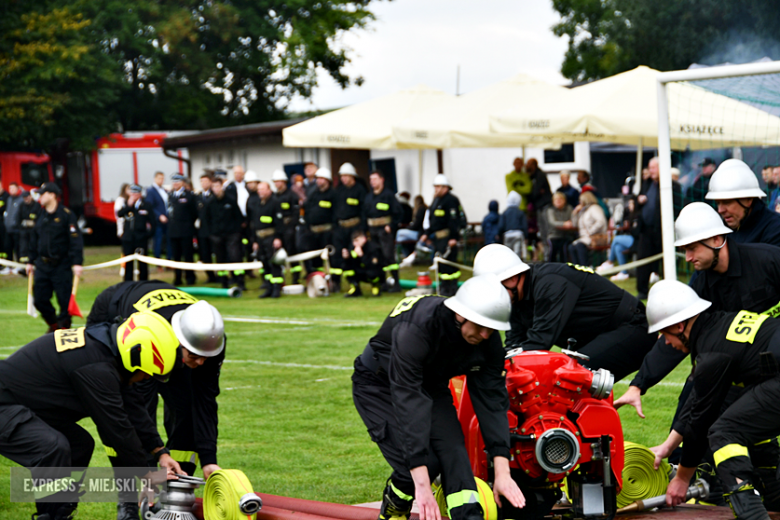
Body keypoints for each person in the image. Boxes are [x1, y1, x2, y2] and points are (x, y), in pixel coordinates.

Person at [615, 204, 780, 501]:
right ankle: (711, 473)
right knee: (702, 393)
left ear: (717, 240)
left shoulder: (768, 259)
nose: (688, 258)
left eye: (692, 249)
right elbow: (672, 337)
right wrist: (640, 383)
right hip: (743, 368)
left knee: (723, 423)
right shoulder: (702, 284)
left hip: (770, 361)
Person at [352, 275, 525, 520]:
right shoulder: (418, 329)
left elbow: (492, 402)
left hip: (430, 384)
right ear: (461, 314)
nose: (486, 335)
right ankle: (395, 508)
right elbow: (409, 400)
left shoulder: (487, 339)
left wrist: (502, 472)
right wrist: (422, 488)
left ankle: (469, 516)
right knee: (423, 462)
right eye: (480, 326)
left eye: (492, 329)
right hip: (379, 385)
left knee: (455, 453)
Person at [0, 310, 180, 520]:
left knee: (80, 444)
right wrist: (147, 474)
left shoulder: (110, 349)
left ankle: (60, 511)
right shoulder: (96, 369)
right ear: (136, 354)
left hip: (23, 404)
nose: (146, 378)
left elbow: (132, 407)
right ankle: (50, 516)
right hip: (4, 405)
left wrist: (160, 452)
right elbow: (117, 428)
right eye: (148, 373)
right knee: (52, 447)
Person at [641, 280, 780, 520]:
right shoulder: (720, 330)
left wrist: (683, 478)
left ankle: (752, 515)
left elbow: (700, 420)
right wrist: (669, 446)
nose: (665, 342)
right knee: (745, 421)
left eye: (664, 333)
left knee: (724, 432)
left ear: (680, 325)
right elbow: (698, 398)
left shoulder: (712, 354)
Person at [86, 282, 225, 482]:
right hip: (116, 310)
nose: (201, 362)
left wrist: (209, 458)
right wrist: (150, 467)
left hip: (169, 327)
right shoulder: (149, 337)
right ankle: (128, 499)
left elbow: (205, 400)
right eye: (194, 356)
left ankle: (176, 486)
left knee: (186, 407)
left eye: (206, 357)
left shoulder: (211, 341)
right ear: (178, 342)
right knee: (118, 410)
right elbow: (139, 407)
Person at [473, 243, 656, 381]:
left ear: (512, 278)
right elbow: (514, 347)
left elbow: (539, 342)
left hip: (633, 327)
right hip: (603, 333)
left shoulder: (549, 283)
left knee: (570, 376)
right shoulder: (516, 298)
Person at [25, 183, 83, 332]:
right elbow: (33, 239)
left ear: (52, 195)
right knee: (39, 299)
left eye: (42, 194)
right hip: (43, 265)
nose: (40, 197)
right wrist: (30, 261)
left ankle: (63, 330)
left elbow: (75, 240)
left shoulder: (66, 215)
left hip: (61, 265)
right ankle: (54, 325)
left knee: (65, 302)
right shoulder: (39, 213)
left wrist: (77, 262)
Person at [635, 157, 682, 299]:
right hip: (646, 230)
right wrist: (638, 201)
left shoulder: (673, 186)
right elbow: (637, 202)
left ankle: (668, 288)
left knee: (667, 260)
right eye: (649, 168)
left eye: (653, 168)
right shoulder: (647, 183)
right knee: (643, 260)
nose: (650, 171)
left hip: (664, 231)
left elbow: (678, 206)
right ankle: (642, 291)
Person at [706, 158, 780, 247]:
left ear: (748, 199)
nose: (720, 210)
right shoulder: (723, 231)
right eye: (718, 203)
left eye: (727, 202)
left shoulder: (775, 229)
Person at [419, 174, 464, 297]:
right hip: (438, 239)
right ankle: (444, 287)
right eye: (435, 186)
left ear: (445, 187)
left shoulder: (451, 200)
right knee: (441, 265)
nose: (436, 189)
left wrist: (454, 237)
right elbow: (432, 219)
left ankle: (452, 289)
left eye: (438, 186)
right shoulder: (436, 200)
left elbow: (455, 220)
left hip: (448, 238)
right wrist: (426, 234)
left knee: (449, 265)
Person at [363, 170, 403, 293]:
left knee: (388, 256)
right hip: (372, 230)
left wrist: (391, 226)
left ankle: (396, 283)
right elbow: (364, 214)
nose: (372, 182)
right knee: (378, 256)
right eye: (371, 180)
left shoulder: (388, 196)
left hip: (384, 231)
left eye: (375, 179)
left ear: (382, 180)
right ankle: (383, 282)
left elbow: (399, 213)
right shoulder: (369, 197)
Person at [331, 163, 367, 291]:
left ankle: (355, 282)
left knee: (352, 255)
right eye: (342, 176)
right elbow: (334, 209)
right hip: (340, 228)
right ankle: (335, 282)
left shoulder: (360, 190)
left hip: (354, 227)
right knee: (337, 256)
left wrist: (361, 230)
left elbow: (363, 210)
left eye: (346, 176)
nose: (343, 179)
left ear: (352, 176)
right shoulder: (339, 191)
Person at [205, 176, 245, 290]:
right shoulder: (209, 203)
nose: (216, 189)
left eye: (217, 186)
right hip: (217, 236)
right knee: (220, 260)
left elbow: (238, 218)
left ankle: (240, 282)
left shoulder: (230, 200)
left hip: (232, 235)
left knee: (235, 257)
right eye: (213, 187)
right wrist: (212, 235)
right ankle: (224, 283)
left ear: (221, 186)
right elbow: (206, 220)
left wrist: (237, 234)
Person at [248, 181, 284, 298]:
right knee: (265, 264)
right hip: (260, 238)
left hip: (271, 237)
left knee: (274, 264)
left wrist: (278, 237)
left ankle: (276, 289)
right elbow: (254, 223)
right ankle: (268, 287)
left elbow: (279, 222)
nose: (260, 192)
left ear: (269, 190)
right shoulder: (258, 204)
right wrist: (254, 241)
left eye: (263, 189)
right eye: (259, 190)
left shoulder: (275, 202)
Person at [116, 185, 155, 281]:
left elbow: (153, 222)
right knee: (128, 262)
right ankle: (128, 282)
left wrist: (148, 235)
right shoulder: (126, 204)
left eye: (136, 193)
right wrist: (128, 206)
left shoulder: (146, 205)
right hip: (128, 238)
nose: (134, 195)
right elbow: (119, 214)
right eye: (132, 193)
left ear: (140, 194)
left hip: (141, 238)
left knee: (142, 262)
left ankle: (143, 282)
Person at [597, 196, 640, 281]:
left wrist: (629, 228)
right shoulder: (629, 214)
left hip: (637, 240)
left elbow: (636, 232)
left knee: (616, 239)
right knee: (618, 247)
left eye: (632, 203)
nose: (629, 205)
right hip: (631, 238)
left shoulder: (638, 215)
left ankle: (610, 261)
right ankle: (624, 273)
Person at [302, 168, 335, 275]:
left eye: (321, 178)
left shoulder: (333, 194)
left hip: (327, 231)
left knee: (331, 257)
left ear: (327, 180)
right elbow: (307, 210)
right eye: (317, 178)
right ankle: (318, 278)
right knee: (315, 258)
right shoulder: (313, 194)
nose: (318, 181)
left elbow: (335, 212)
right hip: (313, 232)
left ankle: (334, 280)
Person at [167, 174, 198, 285]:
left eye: (178, 181)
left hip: (186, 230)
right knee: (177, 256)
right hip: (174, 231)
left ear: (182, 182)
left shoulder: (189, 195)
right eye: (174, 181)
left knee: (188, 255)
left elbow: (194, 213)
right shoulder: (170, 195)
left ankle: (190, 278)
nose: (175, 183)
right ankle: (178, 278)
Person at [569, 191, 607, 267]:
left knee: (579, 246)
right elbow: (575, 224)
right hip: (585, 237)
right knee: (571, 247)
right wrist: (575, 213)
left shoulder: (595, 208)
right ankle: (577, 269)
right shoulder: (583, 210)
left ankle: (585, 267)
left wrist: (591, 231)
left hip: (595, 236)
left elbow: (601, 221)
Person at [344, 229, 384, 297]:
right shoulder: (353, 247)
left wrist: (362, 256)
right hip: (360, 271)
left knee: (372, 273)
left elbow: (373, 265)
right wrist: (347, 257)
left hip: (373, 271)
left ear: (364, 239)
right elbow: (350, 264)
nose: (355, 243)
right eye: (354, 241)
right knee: (346, 269)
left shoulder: (373, 248)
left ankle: (376, 287)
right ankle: (355, 289)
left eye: (357, 240)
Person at [527, 158, 552, 260]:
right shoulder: (532, 176)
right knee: (542, 231)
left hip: (544, 206)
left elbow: (535, 192)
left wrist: (533, 194)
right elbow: (536, 191)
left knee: (546, 230)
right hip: (539, 207)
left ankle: (548, 255)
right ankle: (545, 255)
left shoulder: (540, 175)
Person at [196, 173, 218, 283]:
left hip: (214, 230)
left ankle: (220, 275)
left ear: (210, 182)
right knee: (205, 254)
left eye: (205, 181)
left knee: (218, 253)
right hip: (202, 231)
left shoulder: (214, 196)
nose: (203, 183)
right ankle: (211, 276)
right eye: (201, 181)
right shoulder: (198, 197)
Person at [147, 171, 170, 264]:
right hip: (158, 221)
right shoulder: (151, 191)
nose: (161, 180)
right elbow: (150, 206)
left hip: (167, 219)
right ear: (155, 179)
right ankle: (158, 262)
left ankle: (169, 261)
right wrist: (159, 215)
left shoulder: (164, 190)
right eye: (160, 178)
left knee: (169, 241)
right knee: (158, 241)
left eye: (163, 178)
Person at [545, 191, 574, 263]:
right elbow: (553, 223)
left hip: (566, 235)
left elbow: (572, 221)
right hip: (553, 235)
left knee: (564, 251)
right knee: (552, 251)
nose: (558, 201)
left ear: (564, 200)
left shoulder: (569, 209)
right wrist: (564, 224)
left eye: (560, 199)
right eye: (556, 199)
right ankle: (550, 268)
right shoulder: (550, 210)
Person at [497, 191, 528, 259]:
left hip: (507, 234)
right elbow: (525, 226)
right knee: (517, 254)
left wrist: (499, 234)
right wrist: (526, 236)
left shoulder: (505, 212)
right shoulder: (520, 212)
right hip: (518, 234)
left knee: (508, 254)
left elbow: (501, 225)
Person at [397, 195, 426, 259]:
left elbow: (416, 224)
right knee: (401, 239)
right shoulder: (422, 208)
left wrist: (408, 227)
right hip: (419, 232)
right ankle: (408, 255)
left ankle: (405, 255)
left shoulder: (420, 210)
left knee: (399, 234)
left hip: (419, 233)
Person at [17, 189, 41, 265]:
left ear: (30, 196)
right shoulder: (21, 206)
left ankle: (34, 262)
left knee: (33, 246)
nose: (26, 199)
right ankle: (24, 264)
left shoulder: (36, 206)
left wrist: (33, 223)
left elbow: (39, 219)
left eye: (27, 197)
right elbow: (18, 218)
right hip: (24, 231)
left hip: (33, 231)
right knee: (23, 248)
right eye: (24, 198)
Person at [4, 182, 24, 263]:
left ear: (17, 189)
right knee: (8, 247)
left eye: (13, 188)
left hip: (16, 229)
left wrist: (16, 224)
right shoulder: (8, 199)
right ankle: (9, 265)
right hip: (8, 228)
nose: (11, 190)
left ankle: (19, 265)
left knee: (17, 248)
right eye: (10, 188)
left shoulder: (21, 200)